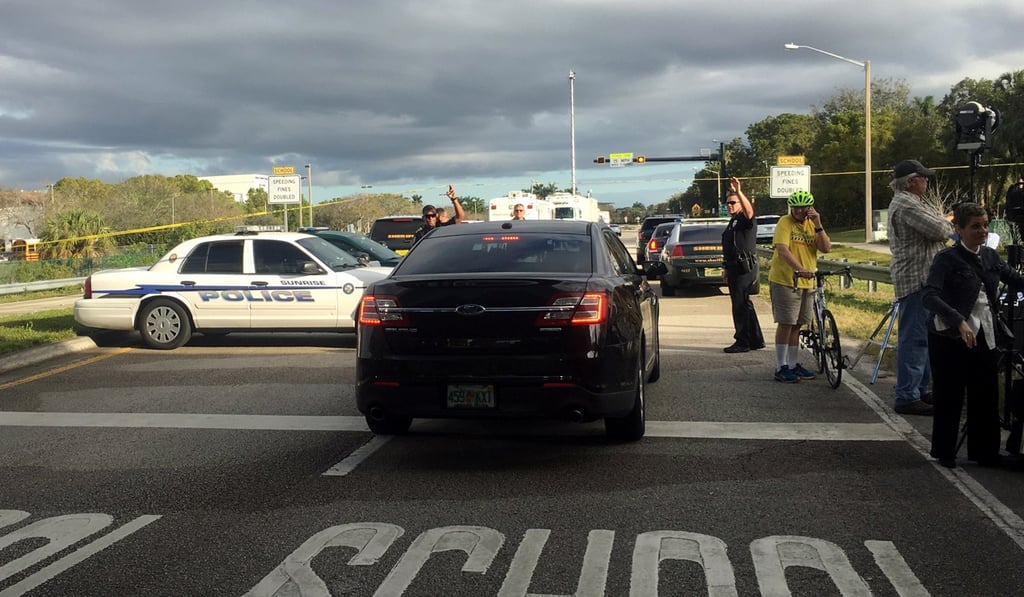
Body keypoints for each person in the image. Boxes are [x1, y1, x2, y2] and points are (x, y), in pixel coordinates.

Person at [923, 202, 1024, 468]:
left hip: (985, 332)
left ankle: (985, 452)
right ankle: (945, 451)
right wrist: (958, 321)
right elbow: (930, 296)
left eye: (985, 226)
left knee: (986, 393)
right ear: (958, 229)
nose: (982, 231)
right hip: (949, 336)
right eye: (975, 226)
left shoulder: (990, 256)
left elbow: (1014, 278)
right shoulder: (946, 259)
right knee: (950, 393)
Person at [887, 159, 953, 415]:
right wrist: (949, 223)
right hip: (916, 278)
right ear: (911, 181)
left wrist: (944, 222)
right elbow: (939, 229)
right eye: (923, 177)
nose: (927, 181)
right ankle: (907, 395)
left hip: (923, 277)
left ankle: (919, 390)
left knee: (925, 337)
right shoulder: (906, 204)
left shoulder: (911, 202)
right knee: (914, 339)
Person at [767, 190, 831, 382]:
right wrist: (800, 269)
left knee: (798, 324)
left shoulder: (812, 224)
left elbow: (826, 248)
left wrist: (818, 224)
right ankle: (781, 366)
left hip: (807, 282)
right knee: (786, 323)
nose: (798, 211)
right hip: (785, 280)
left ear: (810, 208)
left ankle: (793, 365)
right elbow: (782, 250)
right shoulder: (784, 222)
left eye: (803, 207)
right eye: (795, 207)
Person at [721, 177, 765, 353]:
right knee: (745, 304)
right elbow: (730, 246)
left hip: (744, 267)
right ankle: (755, 339)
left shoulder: (745, 220)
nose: (730, 206)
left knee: (740, 305)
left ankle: (742, 341)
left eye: (733, 203)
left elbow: (749, 211)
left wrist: (739, 191)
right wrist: (725, 267)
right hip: (733, 267)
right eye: (728, 203)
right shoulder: (733, 222)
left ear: (740, 203)